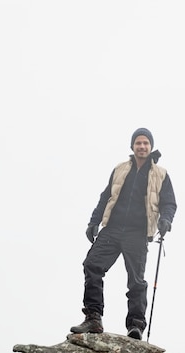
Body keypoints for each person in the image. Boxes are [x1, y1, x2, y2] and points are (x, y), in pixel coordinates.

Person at [70, 127, 177, 340]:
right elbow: (105, 197)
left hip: (137, 233)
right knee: (92, 265)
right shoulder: (120, 169)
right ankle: (93, 317)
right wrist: (94, 222)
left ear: (151, 146)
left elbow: (169, 203)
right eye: (138, 142)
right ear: (132, 146)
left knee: (136, 280)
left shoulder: (161, 174)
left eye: (146, 143)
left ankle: (135, 326)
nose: (142, 146)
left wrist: (166, 220)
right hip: (112, 229)